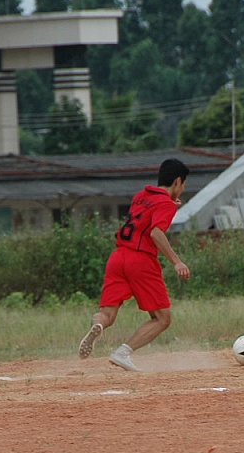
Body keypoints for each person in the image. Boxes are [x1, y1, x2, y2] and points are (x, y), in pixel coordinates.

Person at [77, 158, 191, 372]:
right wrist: (176, 261)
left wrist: (169, 204)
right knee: (162, 318)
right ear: (177, 181)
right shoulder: (165, 204)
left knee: (107, 314)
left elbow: (145, 217)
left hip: (118, 257)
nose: (183, 189)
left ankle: (97, 325)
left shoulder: (140, 196)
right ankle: (122, 353)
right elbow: (155, 233)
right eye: (183, 185)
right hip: (141, 261)